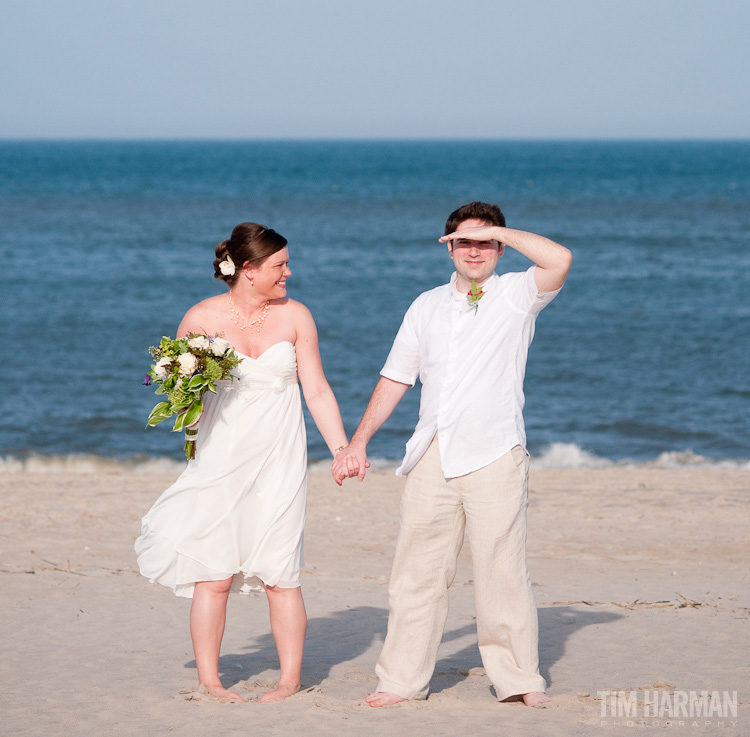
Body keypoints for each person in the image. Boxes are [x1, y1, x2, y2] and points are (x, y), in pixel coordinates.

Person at [332, 201, 572, 709]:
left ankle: (519, 679)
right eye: (465, 241)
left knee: (501, 570)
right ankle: (400, 679)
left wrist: (497, 228)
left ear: (501, 247)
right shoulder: (425, 305)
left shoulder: (516, 295)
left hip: (494, 451)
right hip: (431, 454)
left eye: (486, 242)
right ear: (449, 247)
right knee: (416, 574)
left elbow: (559, 259)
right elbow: (397, 375)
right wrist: (358, 441)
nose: (476, 250)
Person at [135, 223, 349, 704]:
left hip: (280, 456)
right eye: (280, 265)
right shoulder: (200, 318)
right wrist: (183, 389)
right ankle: (210, 681)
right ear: (248, 270)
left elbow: (315, 388)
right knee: (213, 574)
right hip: (222, 458)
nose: (288, 273)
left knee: (280, 572)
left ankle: (289, 680)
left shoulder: (296, 316)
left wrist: (340, 449)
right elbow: (183, 399)